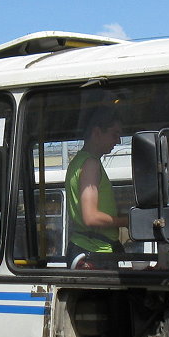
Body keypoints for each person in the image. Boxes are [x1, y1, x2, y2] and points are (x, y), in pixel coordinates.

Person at [65, 105, 128, 263]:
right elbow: (91, 217)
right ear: (97, 132)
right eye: (115, 134)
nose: (118, 141)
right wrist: (128, 221)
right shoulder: (90, 164)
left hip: (90, 249)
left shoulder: (79, 162)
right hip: (94, 252)